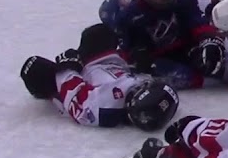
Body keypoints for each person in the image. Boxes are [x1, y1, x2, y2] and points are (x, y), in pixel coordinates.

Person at [20, 24, 180, 129]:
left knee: (34, 68)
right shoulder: (150, 88)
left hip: (80, 75)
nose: (141, 88)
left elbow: (77, 99)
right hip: (106, 65)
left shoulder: (106, 107)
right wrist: (137, 60)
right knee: (98, 33)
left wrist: (66, 69)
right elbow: (142, 75)